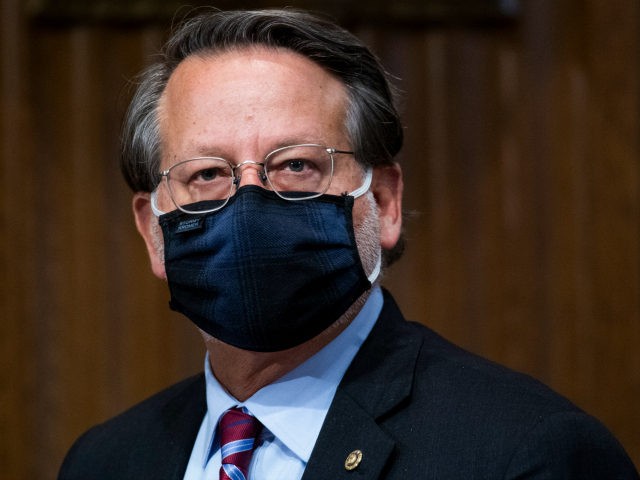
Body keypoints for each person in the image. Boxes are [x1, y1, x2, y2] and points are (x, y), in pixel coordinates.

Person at [58, 8, 638, 480]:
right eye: (207, 174)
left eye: (296, 165)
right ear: (154, 232)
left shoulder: (526, 453)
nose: (251, 203)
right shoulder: (105, 461)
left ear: (382, 203)